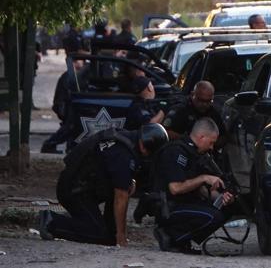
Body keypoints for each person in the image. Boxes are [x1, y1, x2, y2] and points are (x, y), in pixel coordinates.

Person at [37, 124, 169, 246]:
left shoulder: (126, 139)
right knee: (99, 234)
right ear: (145, 147)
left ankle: (104, 229)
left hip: (81, 186)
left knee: (109, 238)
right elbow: (120, 197)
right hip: (74, 191)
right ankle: (51, 221)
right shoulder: (123, 154)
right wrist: (122, 235)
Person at [152, 118, 234, 253]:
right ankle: (171, 236)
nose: (212, 147)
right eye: (211, 142)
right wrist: (204, 178)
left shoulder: (195, 154)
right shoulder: (176, 151)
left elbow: (200, 190)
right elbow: (175, 188)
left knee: (227, 209)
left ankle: (182, 240)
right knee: (213, 216)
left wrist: (222, 197)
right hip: (169, 207)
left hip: (186, 203)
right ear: (202, 137)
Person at [40, 57, 87, 153]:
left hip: (69, 107)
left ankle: (70, 148)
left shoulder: (76, 76)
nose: (84, 64)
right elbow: (63, 98)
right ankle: (49, 145)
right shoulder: (69, 76)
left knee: (72, 130)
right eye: (82, 60)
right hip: (66, 107)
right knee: (68, 128)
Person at [162, 81, 226, 143]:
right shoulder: (181, 108)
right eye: (201, 100)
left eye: (208, 101)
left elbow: (223, 136)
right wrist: (188, 140)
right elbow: (165, 131)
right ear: (192, 94)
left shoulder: (212, 112)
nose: (204, 104)